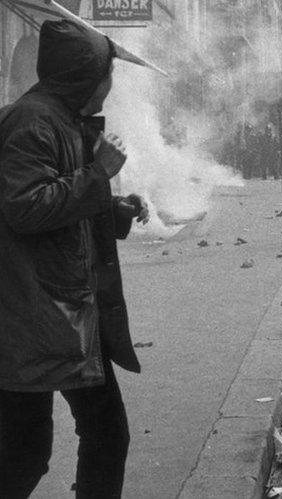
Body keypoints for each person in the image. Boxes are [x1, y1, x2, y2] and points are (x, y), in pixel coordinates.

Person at [0, 20, 149, 498]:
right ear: (86, 75)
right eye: (108, 72)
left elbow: (64, 206)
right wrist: (99, 175)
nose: (111, 83)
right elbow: (26, 209)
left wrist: (114, 209)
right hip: (35, 315)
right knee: (26, 454)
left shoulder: (61, 119)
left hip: (69, 311)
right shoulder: (32, 122)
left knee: (105, 434)